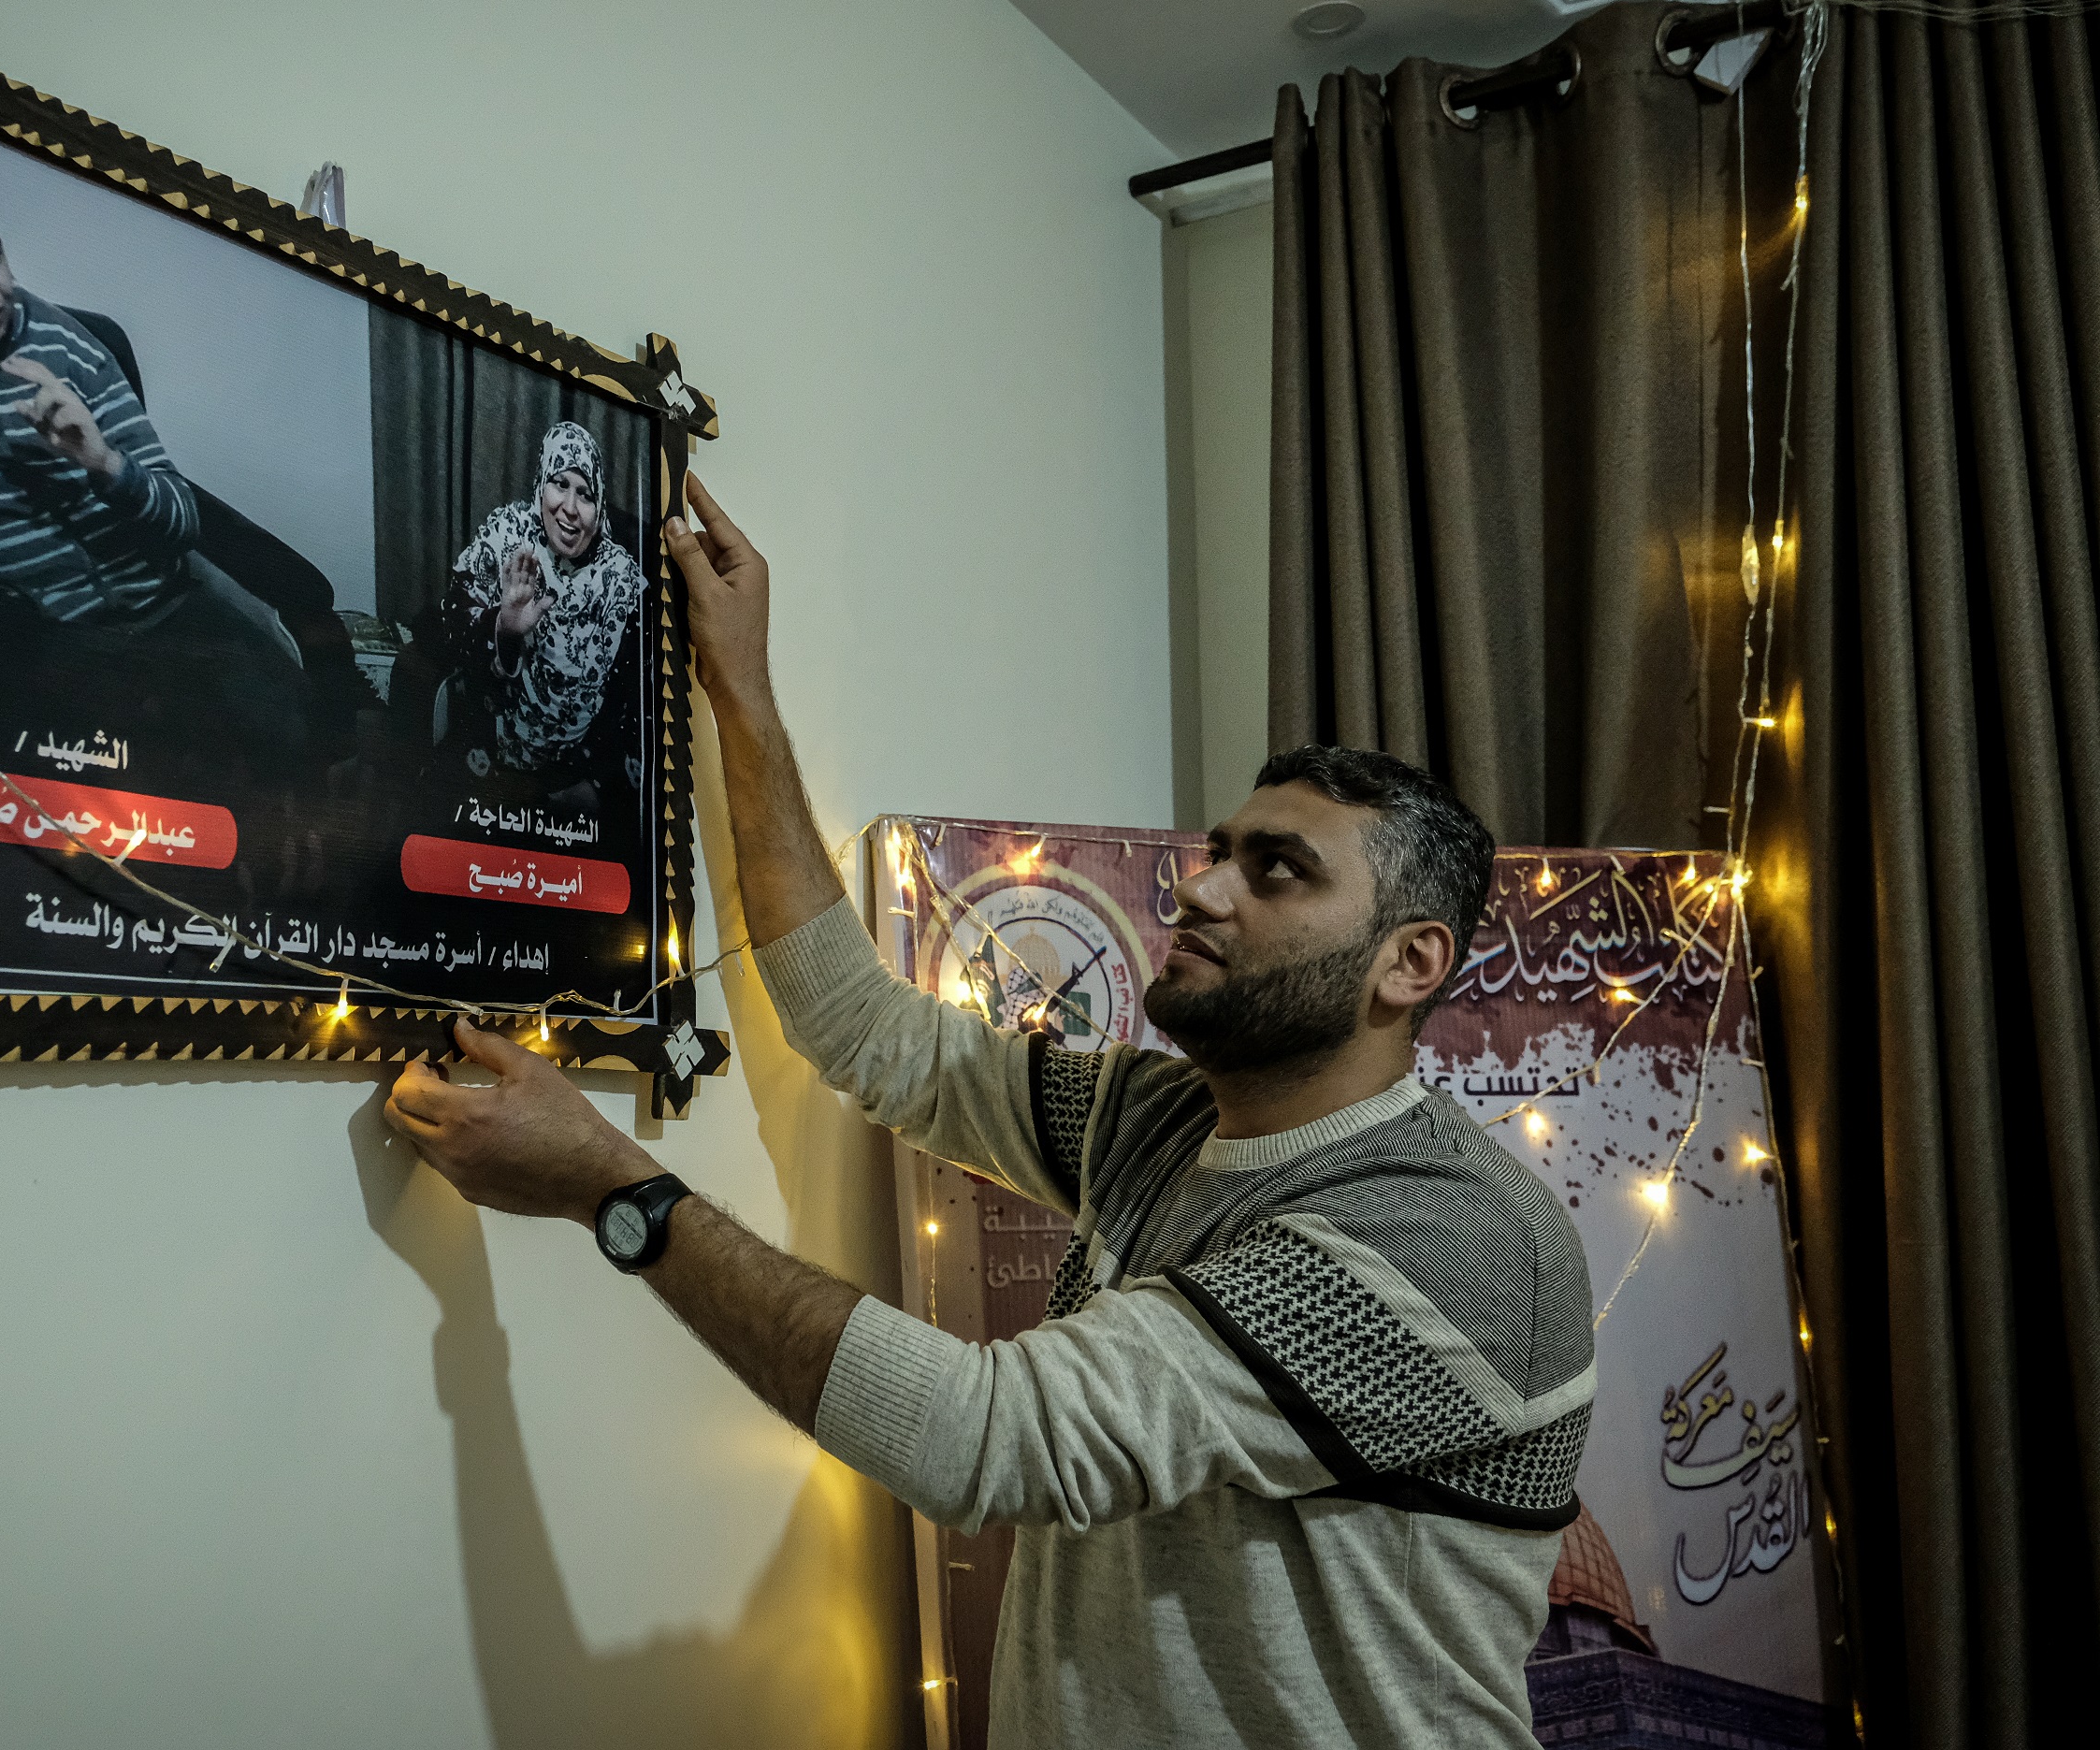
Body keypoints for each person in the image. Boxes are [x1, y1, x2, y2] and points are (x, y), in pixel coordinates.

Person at [381, 473, 1594, 1749]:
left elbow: (983, 1436)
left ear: (1411, 965)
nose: (1202, 891)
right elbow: (869, 1032)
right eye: (1220, 850)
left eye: (1275, 871)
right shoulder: (1168, 1120)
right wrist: (740, 688)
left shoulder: (1446, 1241)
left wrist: (614, 1191)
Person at [0, 121, 305, 733]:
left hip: (161, 609)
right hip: (29, 640)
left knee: (285, 721)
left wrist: (104, 462)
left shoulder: (67, 349)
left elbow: (183, 520)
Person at [419, 420, 644, 811]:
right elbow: (443, 628)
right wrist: (503, 627)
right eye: (560, 484)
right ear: (542, 482)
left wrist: (595, 785)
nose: (570, 509)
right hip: (489, 748)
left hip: (577, 771)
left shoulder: (619, 581)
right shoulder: (507, 536)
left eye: (585, 495)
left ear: (599, 504)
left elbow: (636, 703)